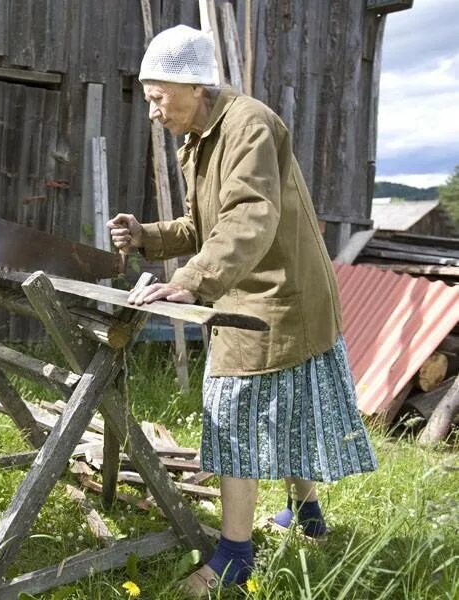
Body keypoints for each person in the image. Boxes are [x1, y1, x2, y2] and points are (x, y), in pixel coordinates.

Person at [107, 25, 377, 597]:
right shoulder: (199, 139)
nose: (153, 111)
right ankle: (308, 521)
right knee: (290, 405)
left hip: (278, 293)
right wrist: (148, 236)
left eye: (159, 97)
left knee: (234, 419)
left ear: (194, 85)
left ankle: (233, 558)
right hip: (254, 287)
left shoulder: (249, 125)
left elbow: (250, 218)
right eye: (150, 98)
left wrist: (189, 281)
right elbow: (202, 226)